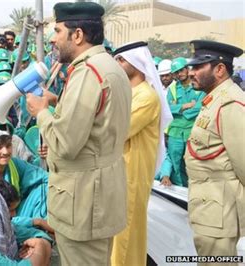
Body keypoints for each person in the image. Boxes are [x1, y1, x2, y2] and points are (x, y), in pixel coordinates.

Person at [25, 2, 131, 265]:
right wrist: (56, 103)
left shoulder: (88, 72)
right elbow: (96, 127)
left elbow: (66, 144)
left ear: (78, 35)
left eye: (58, 31)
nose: (52, 38)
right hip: (98, 196)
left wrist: (41, 112)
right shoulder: (109, 66)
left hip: (83, 202)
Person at [112, 41, 172, 266]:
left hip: (132, 178)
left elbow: (117, 131)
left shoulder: (146, 97)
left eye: (121, 60)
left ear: (137, 63)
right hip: (120, 176)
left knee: (125, 238)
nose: (117, 64)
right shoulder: (129, 93)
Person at [185, 40, 244, 259]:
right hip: (209, 208)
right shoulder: (214, 100)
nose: (191, 73)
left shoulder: (230, 104)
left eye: (198, 67)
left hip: (220, 211)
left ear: (219, 69)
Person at [0, 179, 52, 265]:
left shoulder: (6, 228)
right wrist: (40, 246)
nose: (14, 215)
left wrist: (36, 245)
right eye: (10, 210)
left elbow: (37, 233)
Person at [159, 57, 206, 187]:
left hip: (192, 131)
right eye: (176, 72)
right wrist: (184, 106)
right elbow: (167, 107)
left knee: (193, 163)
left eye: (181, 70)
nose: (179, 74)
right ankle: (181, 188)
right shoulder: (173, 88)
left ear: (187, 69)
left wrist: (180, 111)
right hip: (175, 132)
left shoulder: (198, 85)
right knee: (175, 162)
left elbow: (200, 106)